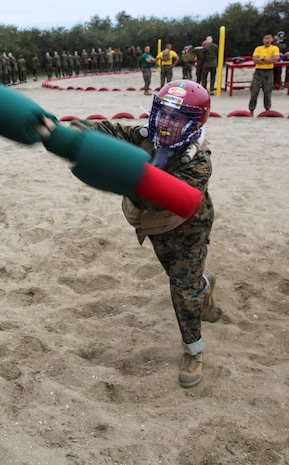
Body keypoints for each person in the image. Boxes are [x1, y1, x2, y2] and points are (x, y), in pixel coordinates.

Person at [69, 79, 217, 388]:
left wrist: (114, 174)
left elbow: (155, 198)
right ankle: (203, 286)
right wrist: (77, 131)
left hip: (188, 230)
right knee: (181, 278)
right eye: (162, 113)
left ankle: (193, 349)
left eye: (176, 118)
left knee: (182, 289)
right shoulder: (145, 138)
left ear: (193, 124)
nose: (165, 123)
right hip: (156, 230)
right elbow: (112, 131)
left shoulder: (198, 164)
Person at [249, 33, 281, 115]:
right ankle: (251, 110)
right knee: (254, 91)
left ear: (272, 39)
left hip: (268, 71)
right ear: (263, 40)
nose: (267, 40)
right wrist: (267, 59)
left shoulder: (275, 48)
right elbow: (255, 60)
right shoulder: (258, 48)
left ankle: (267, 109)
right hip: (258, 71)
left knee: (267, 91)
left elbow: (274, 59)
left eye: (268, 38)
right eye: (265, 38)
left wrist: (262, 59)